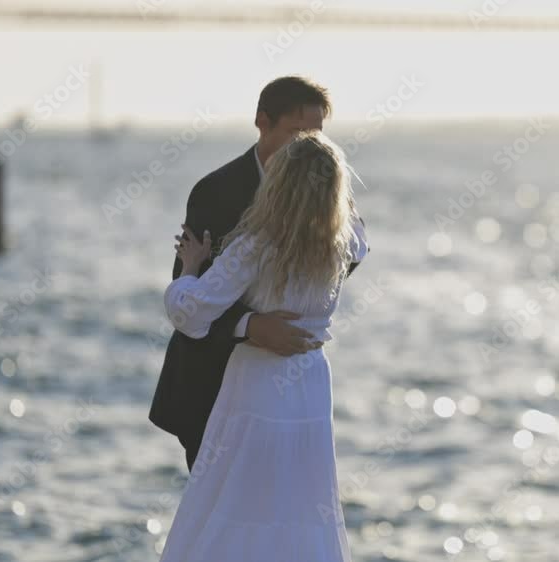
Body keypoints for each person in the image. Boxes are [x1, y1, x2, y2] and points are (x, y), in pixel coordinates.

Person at [157, 130, 366, 561]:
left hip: (256, 384)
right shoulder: (342, 245)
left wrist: (190, 269)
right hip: (309, 387)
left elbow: (189, 314)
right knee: (300, 502)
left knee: (239, 500)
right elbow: (360, 232)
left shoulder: (257, 248)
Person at [148, 76, 368, 471]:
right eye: (299, 132)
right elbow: (192, 288)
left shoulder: (330, 194)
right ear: (262, 122)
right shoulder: (215, 191)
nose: (310, 145)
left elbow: (346, 258)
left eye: (317, 133)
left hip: (291, 385)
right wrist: (249, 324)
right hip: (211, 382)